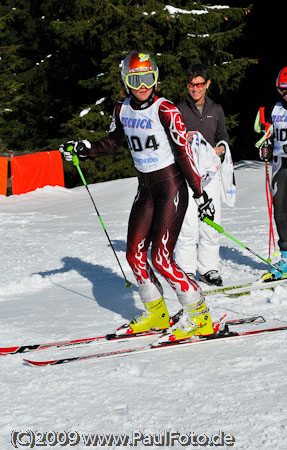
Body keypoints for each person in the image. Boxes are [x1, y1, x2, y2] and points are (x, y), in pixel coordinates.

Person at [59, 51, 216, 342]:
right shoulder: (122, 109)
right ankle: (156, 313)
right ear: (126, 81)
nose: (142, 85)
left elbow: (183, 152)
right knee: (134, 255)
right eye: (135, 79)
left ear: (155, 79)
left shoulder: (166, 109)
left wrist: (199, 192)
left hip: (171, 187)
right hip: (145, 188)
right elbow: (113, 141)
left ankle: (199, 316)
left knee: (161, 258)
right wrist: (85, 148)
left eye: (147, 78)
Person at [175, 64, 231, 286]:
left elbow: (222, 135)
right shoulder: (178, 109)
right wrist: (183, 139)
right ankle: (186, 270)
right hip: (187, 175)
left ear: (207, 84)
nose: (195, 89)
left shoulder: (215, 109)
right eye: (191, 84)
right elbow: (171, 138)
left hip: (210, 175)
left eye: (199, 84)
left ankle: (208, 269)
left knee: (210, 222)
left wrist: (222, 147)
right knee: (187, 225)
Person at [257, 65, 287, 280]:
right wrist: (265, 146)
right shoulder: (274, 109)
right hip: (279, 166)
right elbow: (267, 136)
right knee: (279, 214)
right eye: (283, 91)